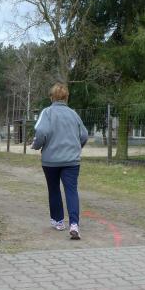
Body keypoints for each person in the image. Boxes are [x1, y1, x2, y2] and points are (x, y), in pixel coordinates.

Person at [31, 82, 88, 240]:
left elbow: (40, 131)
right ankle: (74, 224)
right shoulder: (73, 114)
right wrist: (77, 147)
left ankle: (58, 221)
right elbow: (84, 135)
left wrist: (37, 145)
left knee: (54, 189)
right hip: (72, 161)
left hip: (51, 161)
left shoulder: (47, 112)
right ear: (66, 97)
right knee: (71, 191)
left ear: (52, 97)